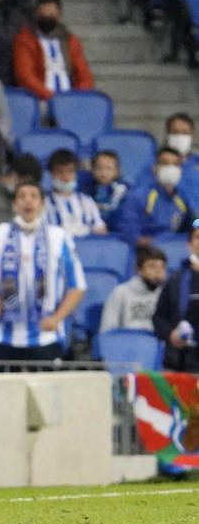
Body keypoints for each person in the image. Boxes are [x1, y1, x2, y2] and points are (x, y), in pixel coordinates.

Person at [0, 182, 88, 367]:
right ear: (14, 205)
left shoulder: (59, 237)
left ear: (42, 204)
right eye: (21, 196)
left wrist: (57, 318)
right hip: (2, 335)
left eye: (33, 196)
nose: (27, 201)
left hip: (44, 338)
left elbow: (77, 285)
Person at [12, 0, 95, 101]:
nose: (47, 18)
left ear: (59, 16)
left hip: (70, 97)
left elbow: (84, 74)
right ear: (36, 15)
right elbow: (25, 75)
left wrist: (77, 96)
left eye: (51, 15)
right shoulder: (25, 40)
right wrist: (50, 96)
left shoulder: (70, 40)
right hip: (38, 98)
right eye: (42, 15)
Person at [116, 148, 190, 244]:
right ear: (154, 168)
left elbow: (194, 224)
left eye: (175, 164)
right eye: (165, 163)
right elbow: (129, 234)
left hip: (176, 251)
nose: (170, 168)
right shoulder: (137, 197)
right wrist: (158, 244)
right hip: (147, 253)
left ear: (181, 170)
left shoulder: (182, 198)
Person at [152, 222, 199, 371]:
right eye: (198, 237)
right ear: (189, 244)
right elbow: (158, 317)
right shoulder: (176, 280)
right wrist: (170, 334)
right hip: (180, 362)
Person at [44, 148, 109, 238]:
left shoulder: (87, 200)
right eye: (60, 172)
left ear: (76, 173)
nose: (65, 177)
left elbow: (101, 230)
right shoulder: (43, 202)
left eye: (70, 171)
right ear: (51, 174)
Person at [101, 245, 167, 332]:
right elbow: (107, 330)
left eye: (162, 267)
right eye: (152, 266)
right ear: (139, 270)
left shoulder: (167, 294)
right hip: (128, 342)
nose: (158, 271)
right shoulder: (121, 292)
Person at [85, 149, 129, 225]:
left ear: (117, 171)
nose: (103, 172)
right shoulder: (87, 188)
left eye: (108, 168)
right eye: (99, 168)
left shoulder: (123, 190)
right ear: (92, 170)